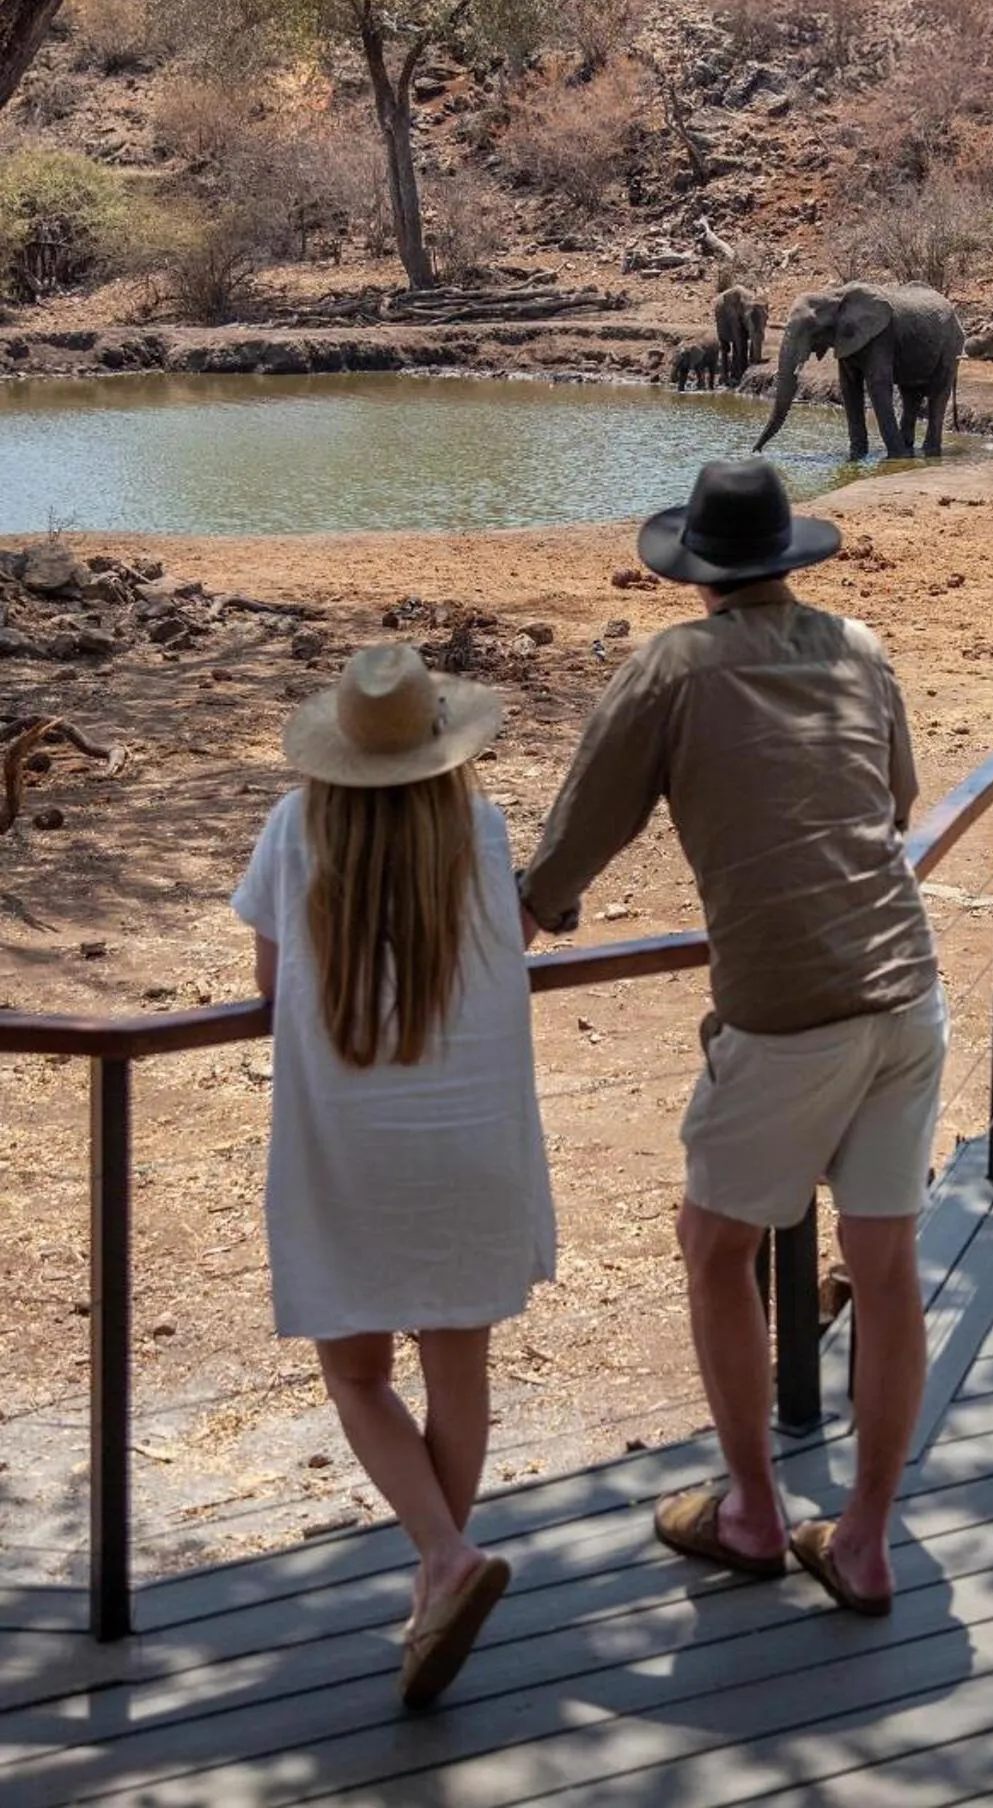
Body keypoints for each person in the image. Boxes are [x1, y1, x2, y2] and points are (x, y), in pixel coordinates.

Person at [519, 458, 946, 1618]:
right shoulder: (859, 645)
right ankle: (864, 1542)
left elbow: (579, 834)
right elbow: (895, 802)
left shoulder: (673, 666)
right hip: (909, 987)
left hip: (790, 1008)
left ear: (697, 573)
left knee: (714, 1243)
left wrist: (525, 915)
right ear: (787, 560)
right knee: (886, 1263)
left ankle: (753, 1510)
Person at [233, 643, 556, 1709]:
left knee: (358, 1373)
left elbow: (269, 981)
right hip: (470, 1137)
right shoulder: (483, 829)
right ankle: (437, 1583)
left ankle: (446, 1561)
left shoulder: (295, 829)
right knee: (459, 1371)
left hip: (350, 1144)